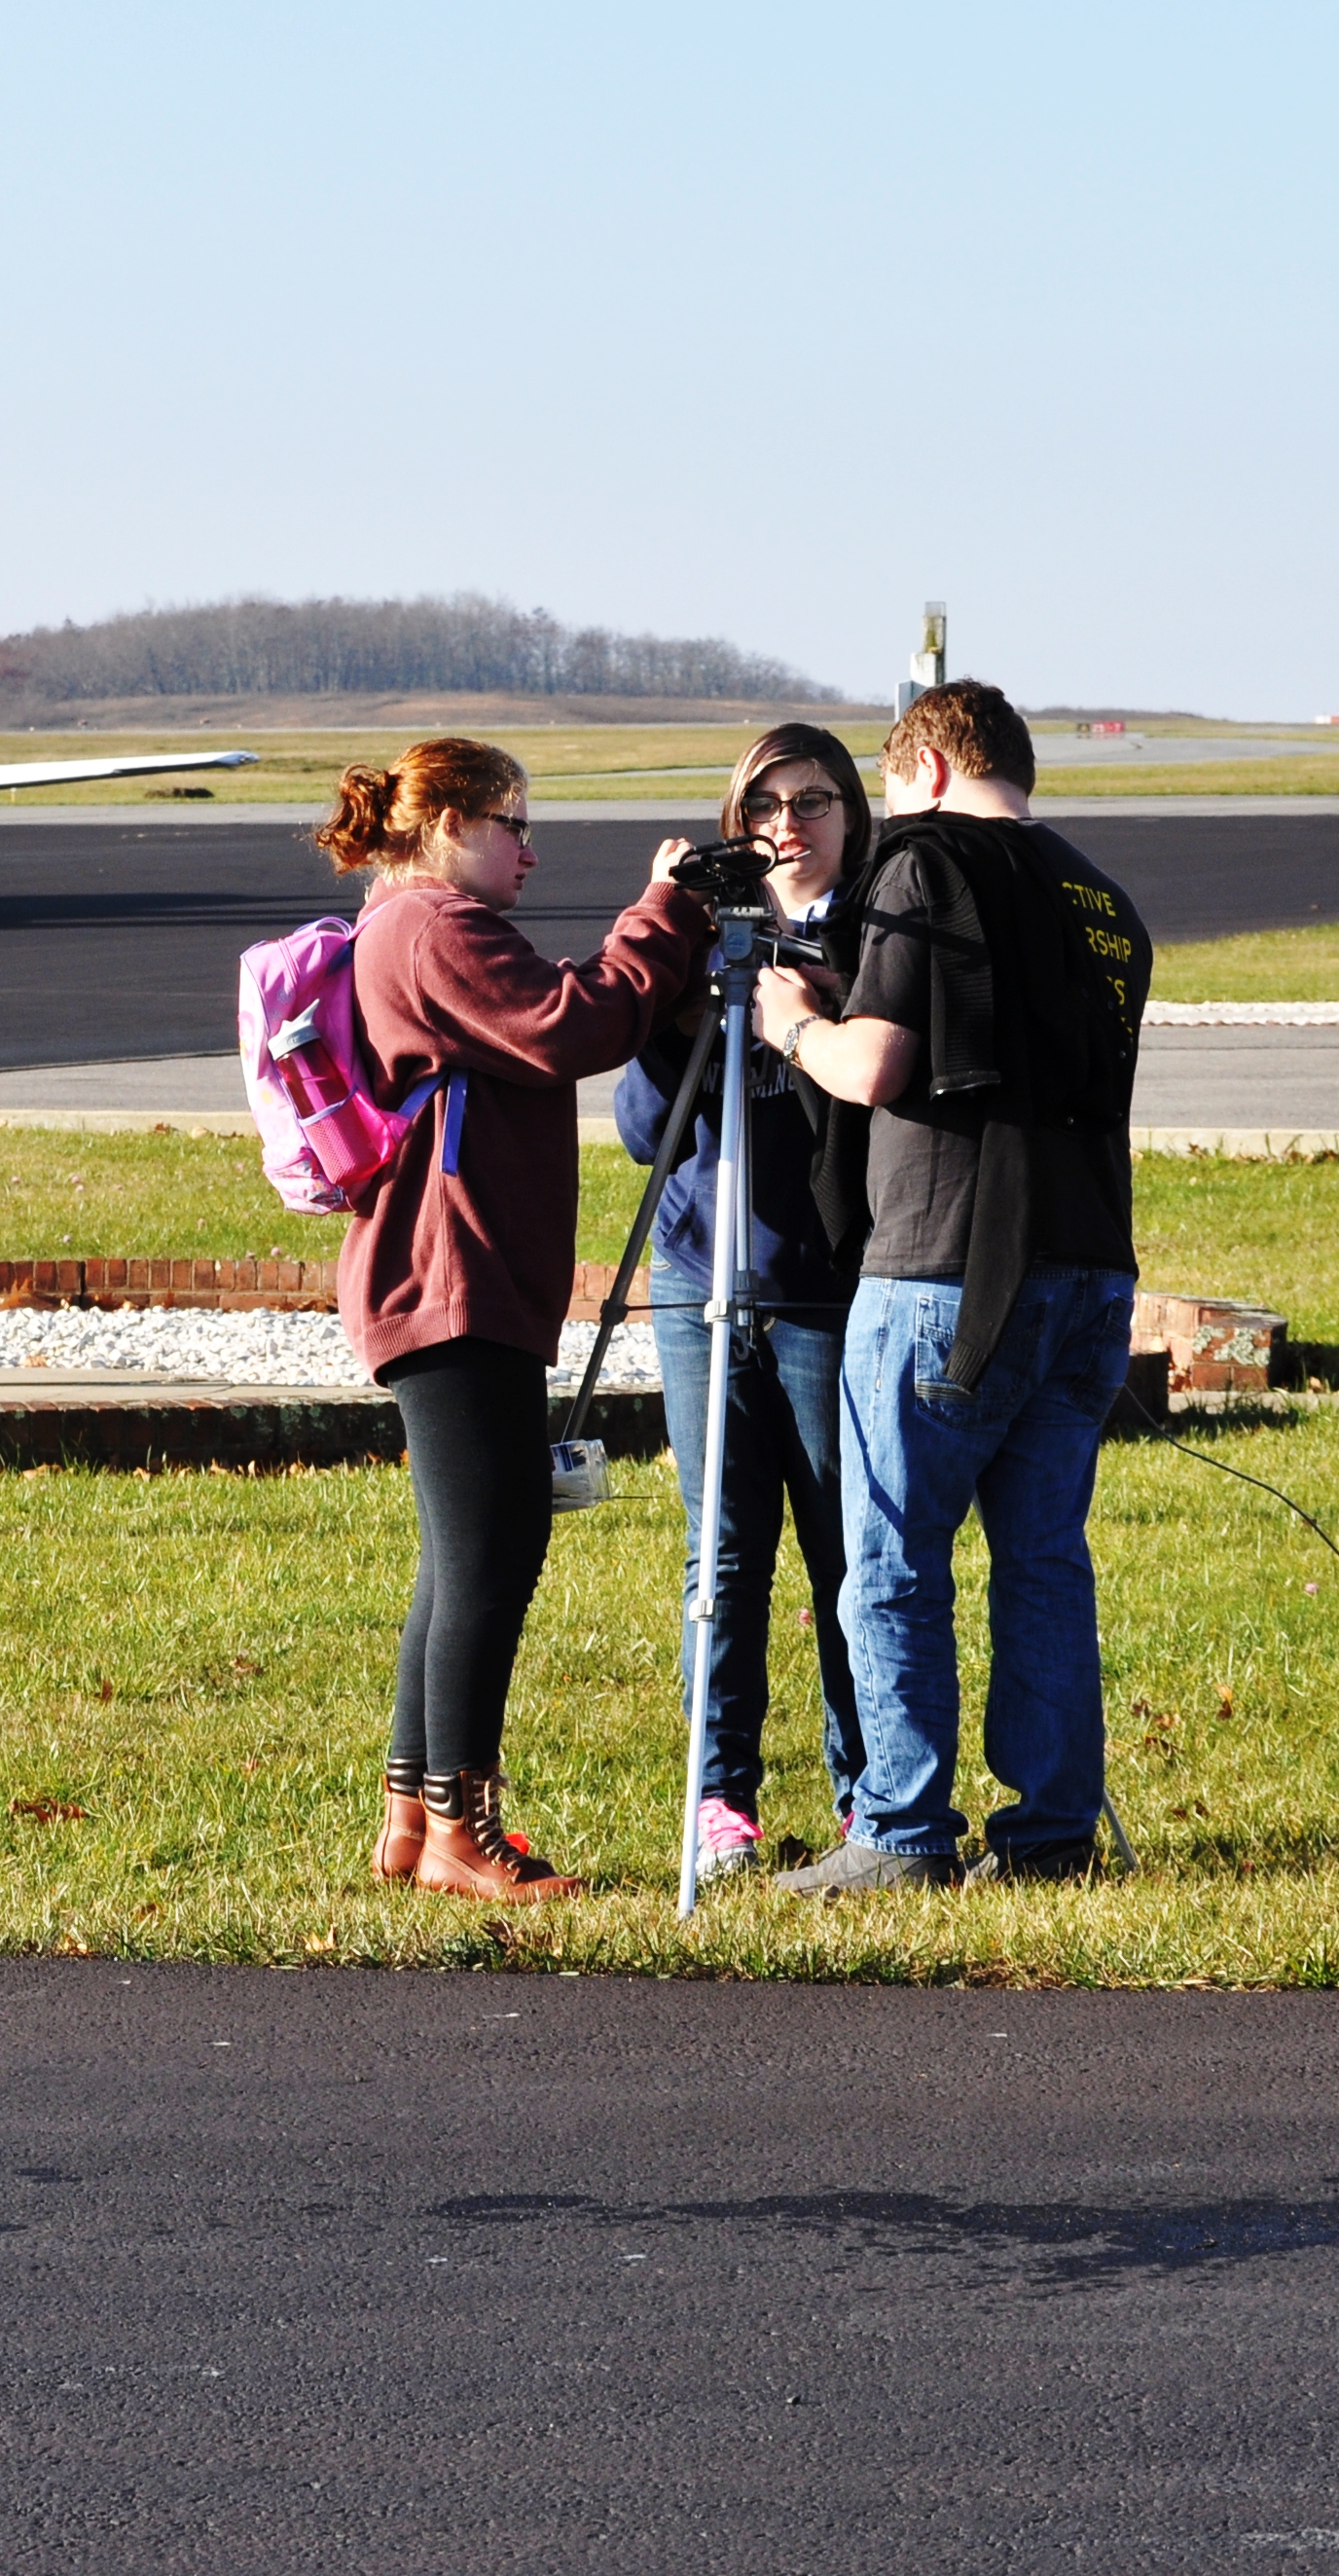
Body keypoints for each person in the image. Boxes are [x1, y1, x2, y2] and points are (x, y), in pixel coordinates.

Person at [760, 680, 1153, 1894]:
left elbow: (878, 1065)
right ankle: (1049, 1833)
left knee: (891, 1557)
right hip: (1087, 1264)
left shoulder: (921, 863)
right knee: (1042, 1558)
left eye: (881, 790)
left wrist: (791, 1026)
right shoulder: (1102, 896)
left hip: (944, 1264)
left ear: (925, 767)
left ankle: (900, 1829)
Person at [320, 738, 709, 1903]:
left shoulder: (408, 923)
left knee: (459, 1555)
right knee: (494, 1553)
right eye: (513, 824)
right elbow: (566, 1025)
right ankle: (460, 1831)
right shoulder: (436, 925)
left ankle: (410, 1814)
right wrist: (664, 912)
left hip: (447, 1273)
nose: (530, 851)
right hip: (451, 1276)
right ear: (445, 820)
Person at [610, 724, 874, 1886]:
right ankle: (719, 1798)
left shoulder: (880, 936)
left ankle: (873, 1794)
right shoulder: (706, 943)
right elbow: (637, 1137)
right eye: (765, 804)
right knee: (720, 1556)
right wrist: (677, 1012)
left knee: (845, 1552)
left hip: (824, 1285)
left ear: (854, 816)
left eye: (815, 800)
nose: (790, 825)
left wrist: (811, 1018)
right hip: (698, 1279)